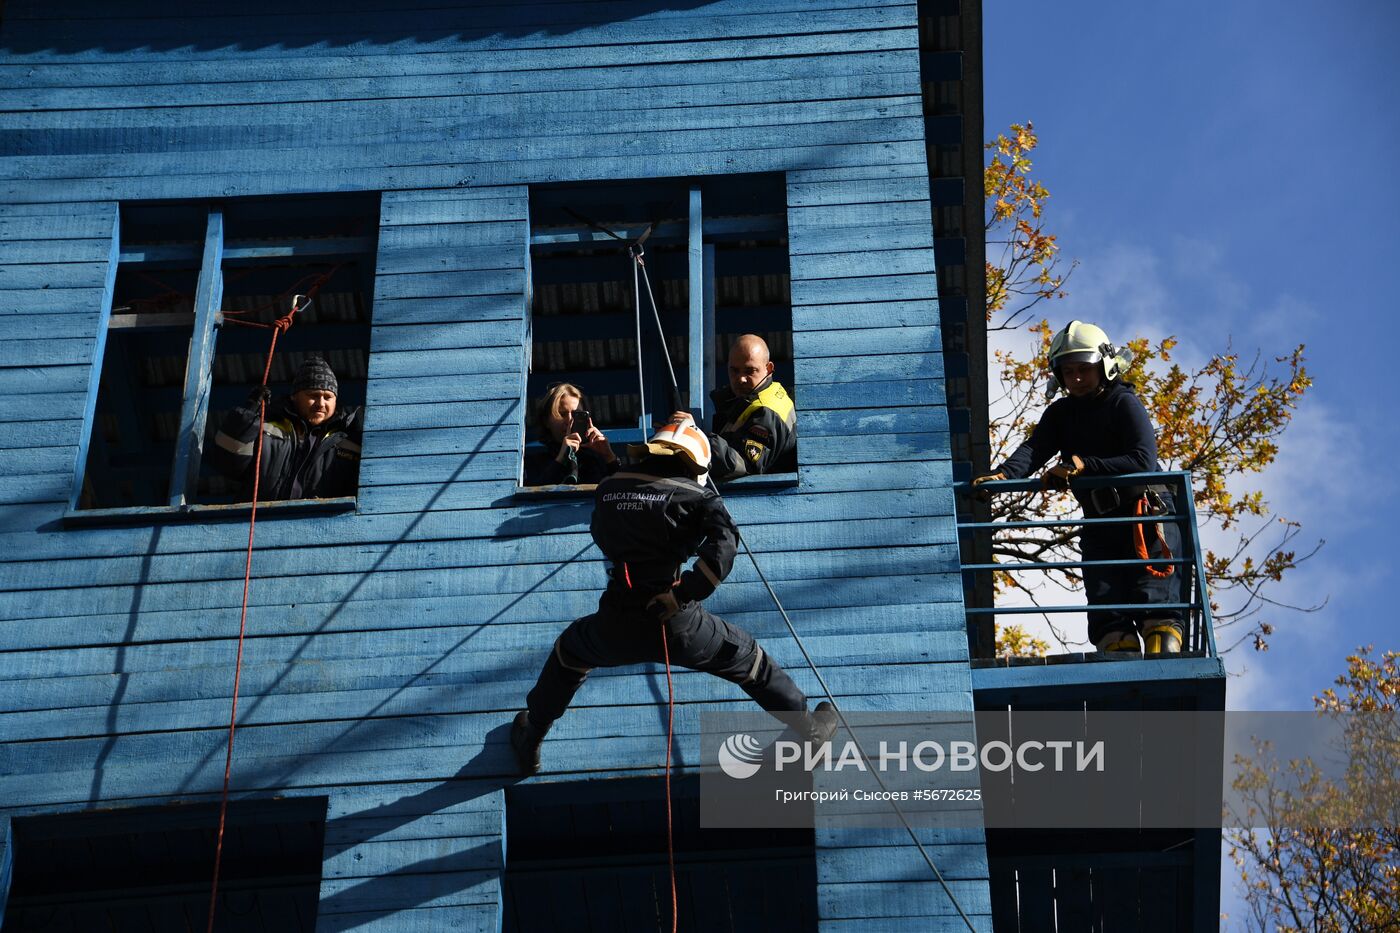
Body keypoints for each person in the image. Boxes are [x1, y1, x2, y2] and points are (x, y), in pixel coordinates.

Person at [509, 414, 835, 775]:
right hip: (677, 623)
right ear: (693, 461)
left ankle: (533, 737)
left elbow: (603, 533)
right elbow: (724, 545)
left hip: (616, 623)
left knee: (568, 655)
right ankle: (809, 729)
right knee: (750, 662)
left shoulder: (608, 488)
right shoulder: (697, 495)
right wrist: (683, 595)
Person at [972, 321, 1185, 655]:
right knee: (1110, 622)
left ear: (1103, 367)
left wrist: (1083, 466)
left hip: (1144, 514)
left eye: (1084, 369)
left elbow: (1143, 459)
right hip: (1100, 523)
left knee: (1158, 618)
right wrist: (1004, 476)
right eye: (1068, 372)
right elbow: (1035, 449)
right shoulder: (1060, 414)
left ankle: (1167, 673)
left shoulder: (1122, 402)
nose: (1077, 379)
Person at [209, 355, 362, 501]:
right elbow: (227, 464)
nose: (321, 403)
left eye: (328, 397)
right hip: (262, 524)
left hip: (324, 526)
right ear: (294, 396)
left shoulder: (349, 439)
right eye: (313, 395)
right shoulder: (265, 426)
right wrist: (247, 417)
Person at [705, 334, 797, 482]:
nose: (741, 379)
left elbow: (742, 463)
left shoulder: (768, 410)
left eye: (750, 371)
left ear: (769, 368)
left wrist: (697, 437)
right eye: (734, 370)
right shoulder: (743, 399)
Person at [523, 382, 619, 486]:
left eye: (576, 414)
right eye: (562, 414)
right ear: (546, 421)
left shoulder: (595, 460)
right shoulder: (534, 462)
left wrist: (610, 458)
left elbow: (624, 492)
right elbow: (533, 494)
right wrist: (561, 459)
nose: (569, 420)